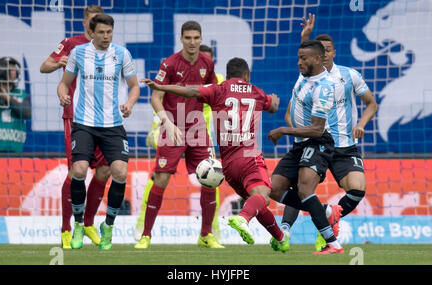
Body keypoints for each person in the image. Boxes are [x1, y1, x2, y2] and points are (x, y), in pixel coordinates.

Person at [141, 57, 288, 249]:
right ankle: (242, 218)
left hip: (228, 165)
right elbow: (273, 106)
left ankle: (280, 239)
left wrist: (164, 87)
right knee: (262, 197)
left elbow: (189, 91)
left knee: (257, 201)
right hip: (250, 158)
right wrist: (274, 100)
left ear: (226, 76)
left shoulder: (218, 89)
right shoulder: (256, 92)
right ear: (247, 76)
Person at [279, 14, 378, 252]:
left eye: (328, 50)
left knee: (357, 189)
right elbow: (292, 108)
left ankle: (330, 223)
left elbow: (372, 103)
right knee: (302, 189)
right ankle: (285, 231)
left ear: (332, 53)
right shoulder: (307, 77)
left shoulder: (349, 75)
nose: (324, 53)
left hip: (344, 145)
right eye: (319, 50)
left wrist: (362, 123)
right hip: (316, 142)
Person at [134, 21, 223, 249]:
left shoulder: (207, 63)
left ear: (201, 39)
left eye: (196, 38)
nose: (192, 42)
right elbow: (155, 97)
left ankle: (206, 234)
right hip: (171, 127)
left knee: (210, 179)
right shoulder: (170, 64)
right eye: (188, 38)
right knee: (161, 179)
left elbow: (213, 93)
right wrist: (167, 122)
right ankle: (146, 235)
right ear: (181, 39)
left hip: (197, 128)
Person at [57, 14, 140, 250]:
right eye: (101, 32)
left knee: (120, 172)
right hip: (84, 123)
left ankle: (108, 227)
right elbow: (64, 82)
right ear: (91, 33)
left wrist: (130, 104)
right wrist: (62, 94)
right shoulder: (78, 53)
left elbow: (134, 86)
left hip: (113, 125)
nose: (106, 36)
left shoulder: (122, 54)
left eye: (109, 32)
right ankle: (79, 225)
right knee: (79, 169)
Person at [39, 5, 108, 249]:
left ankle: (88, 223)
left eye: (98, 22)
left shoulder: (108, 47)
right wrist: (60, 63)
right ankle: (66, 229)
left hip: (103, 119)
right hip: (76, 117)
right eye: (91, 21)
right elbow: (44, 66)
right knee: (77, 171)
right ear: (83, 22)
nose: (94, 26)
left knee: (106, 170)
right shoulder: (70, 43)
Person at [267, 40, 345, 254]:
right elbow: (308, 51)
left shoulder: (325, 86)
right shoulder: (305, 75)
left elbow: (317, 129)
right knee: (273, 189)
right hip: (300, 144)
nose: (299, 62)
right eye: (299, 57)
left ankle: (333, 243)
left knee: (304, 189)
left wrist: (283, 129)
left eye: (304, 58)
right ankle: (327, 211)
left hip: (319, 142)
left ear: (318, 60)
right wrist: (305, 35)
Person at [0, 57, 31, 152]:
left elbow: (27, 113)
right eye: (8, 69)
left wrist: (8, 98)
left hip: (14, 151)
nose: (12, 72)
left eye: (14, 69)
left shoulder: (21, 94)